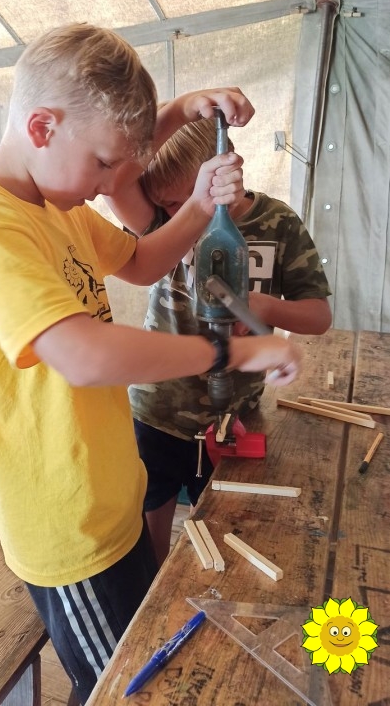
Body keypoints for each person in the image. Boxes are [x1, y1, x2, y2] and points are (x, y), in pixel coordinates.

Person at [0, 24, 302, 704]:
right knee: (121, 689)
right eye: (105, 165)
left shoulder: (59, 207)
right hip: (66, 528)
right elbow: (81, 355)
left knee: (140, 663)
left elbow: (141, 260)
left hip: (112, 497)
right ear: (41, 127)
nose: (113, 187)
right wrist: (232, 349)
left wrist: (198, 201)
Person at [106, 115, 331, 567]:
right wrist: (181, 108)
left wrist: (264, 307)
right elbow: (114, 183)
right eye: (166, 205)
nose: (176, 214)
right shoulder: (162, 222)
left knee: (224, 537)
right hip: (156, 413)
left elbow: (318, 316)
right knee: (150, 537)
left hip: (232, 422)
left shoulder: (277, 224)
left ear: (221, 173)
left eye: (179, 200)